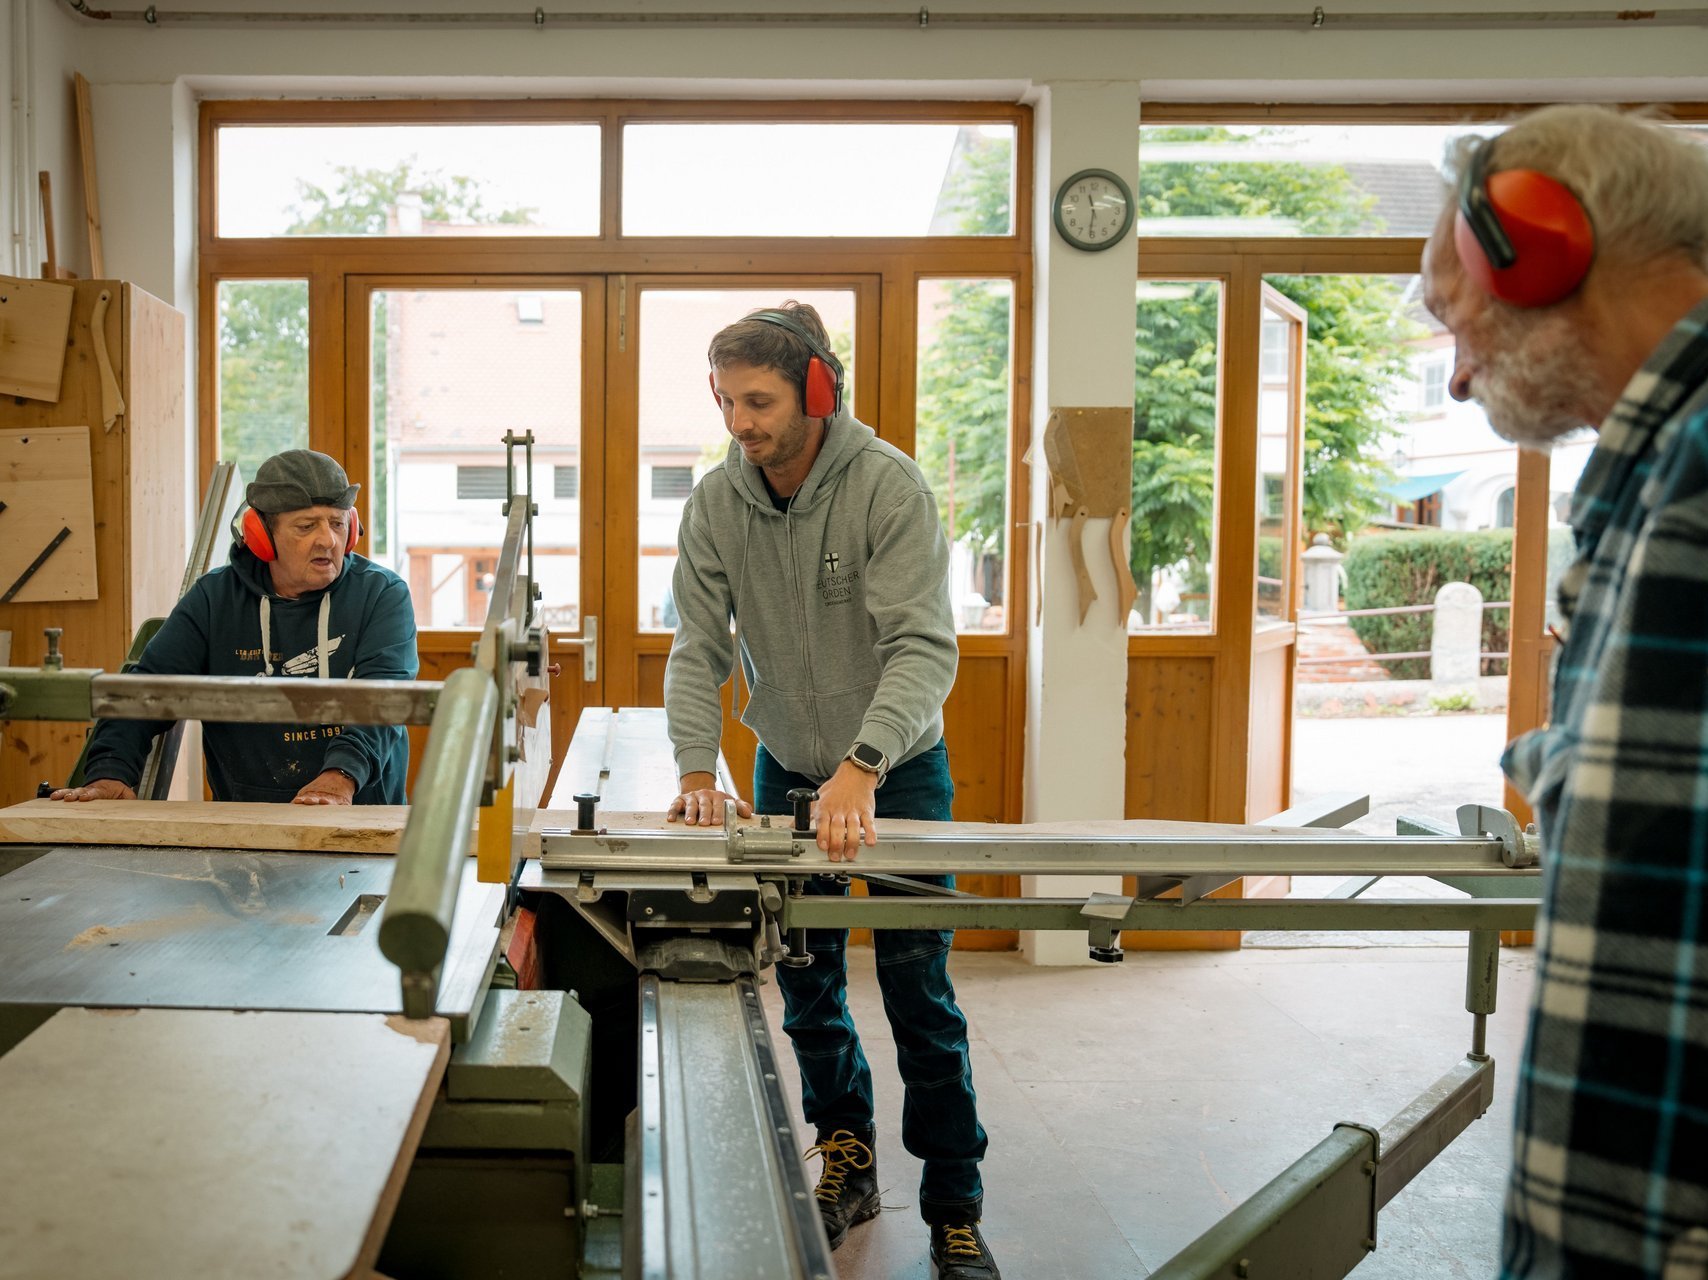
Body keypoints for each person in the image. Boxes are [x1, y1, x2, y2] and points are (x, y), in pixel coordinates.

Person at [1422, 105, 1708, 1279]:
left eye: (1454, 312)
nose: (1452, 374)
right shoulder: (1658, 474)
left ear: (1541, 246)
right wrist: (1559, 761)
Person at [662, 302, 998, 1278]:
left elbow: (924, 646)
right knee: (805, 981)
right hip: (786, 765)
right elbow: (697, 645)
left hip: (896, 769)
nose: (740, 421)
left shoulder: (886, 486)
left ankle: (954, 1208)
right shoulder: (716, 504)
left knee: (916, 988)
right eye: (726, 399)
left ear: (816, 390)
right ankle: (845, 1151)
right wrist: (694, 765)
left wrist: (862, 763)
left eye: (758, 400)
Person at [50, 449, 418, 806]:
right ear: (261, 535)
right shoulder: (214, 599)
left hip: (361, 813)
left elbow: (384, 702)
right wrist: (110, 770)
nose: (328, 540)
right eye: (306, 526)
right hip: (246, 819)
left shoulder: (382, 595)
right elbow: (145, 689)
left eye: (338, 523)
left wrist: (340, 777)